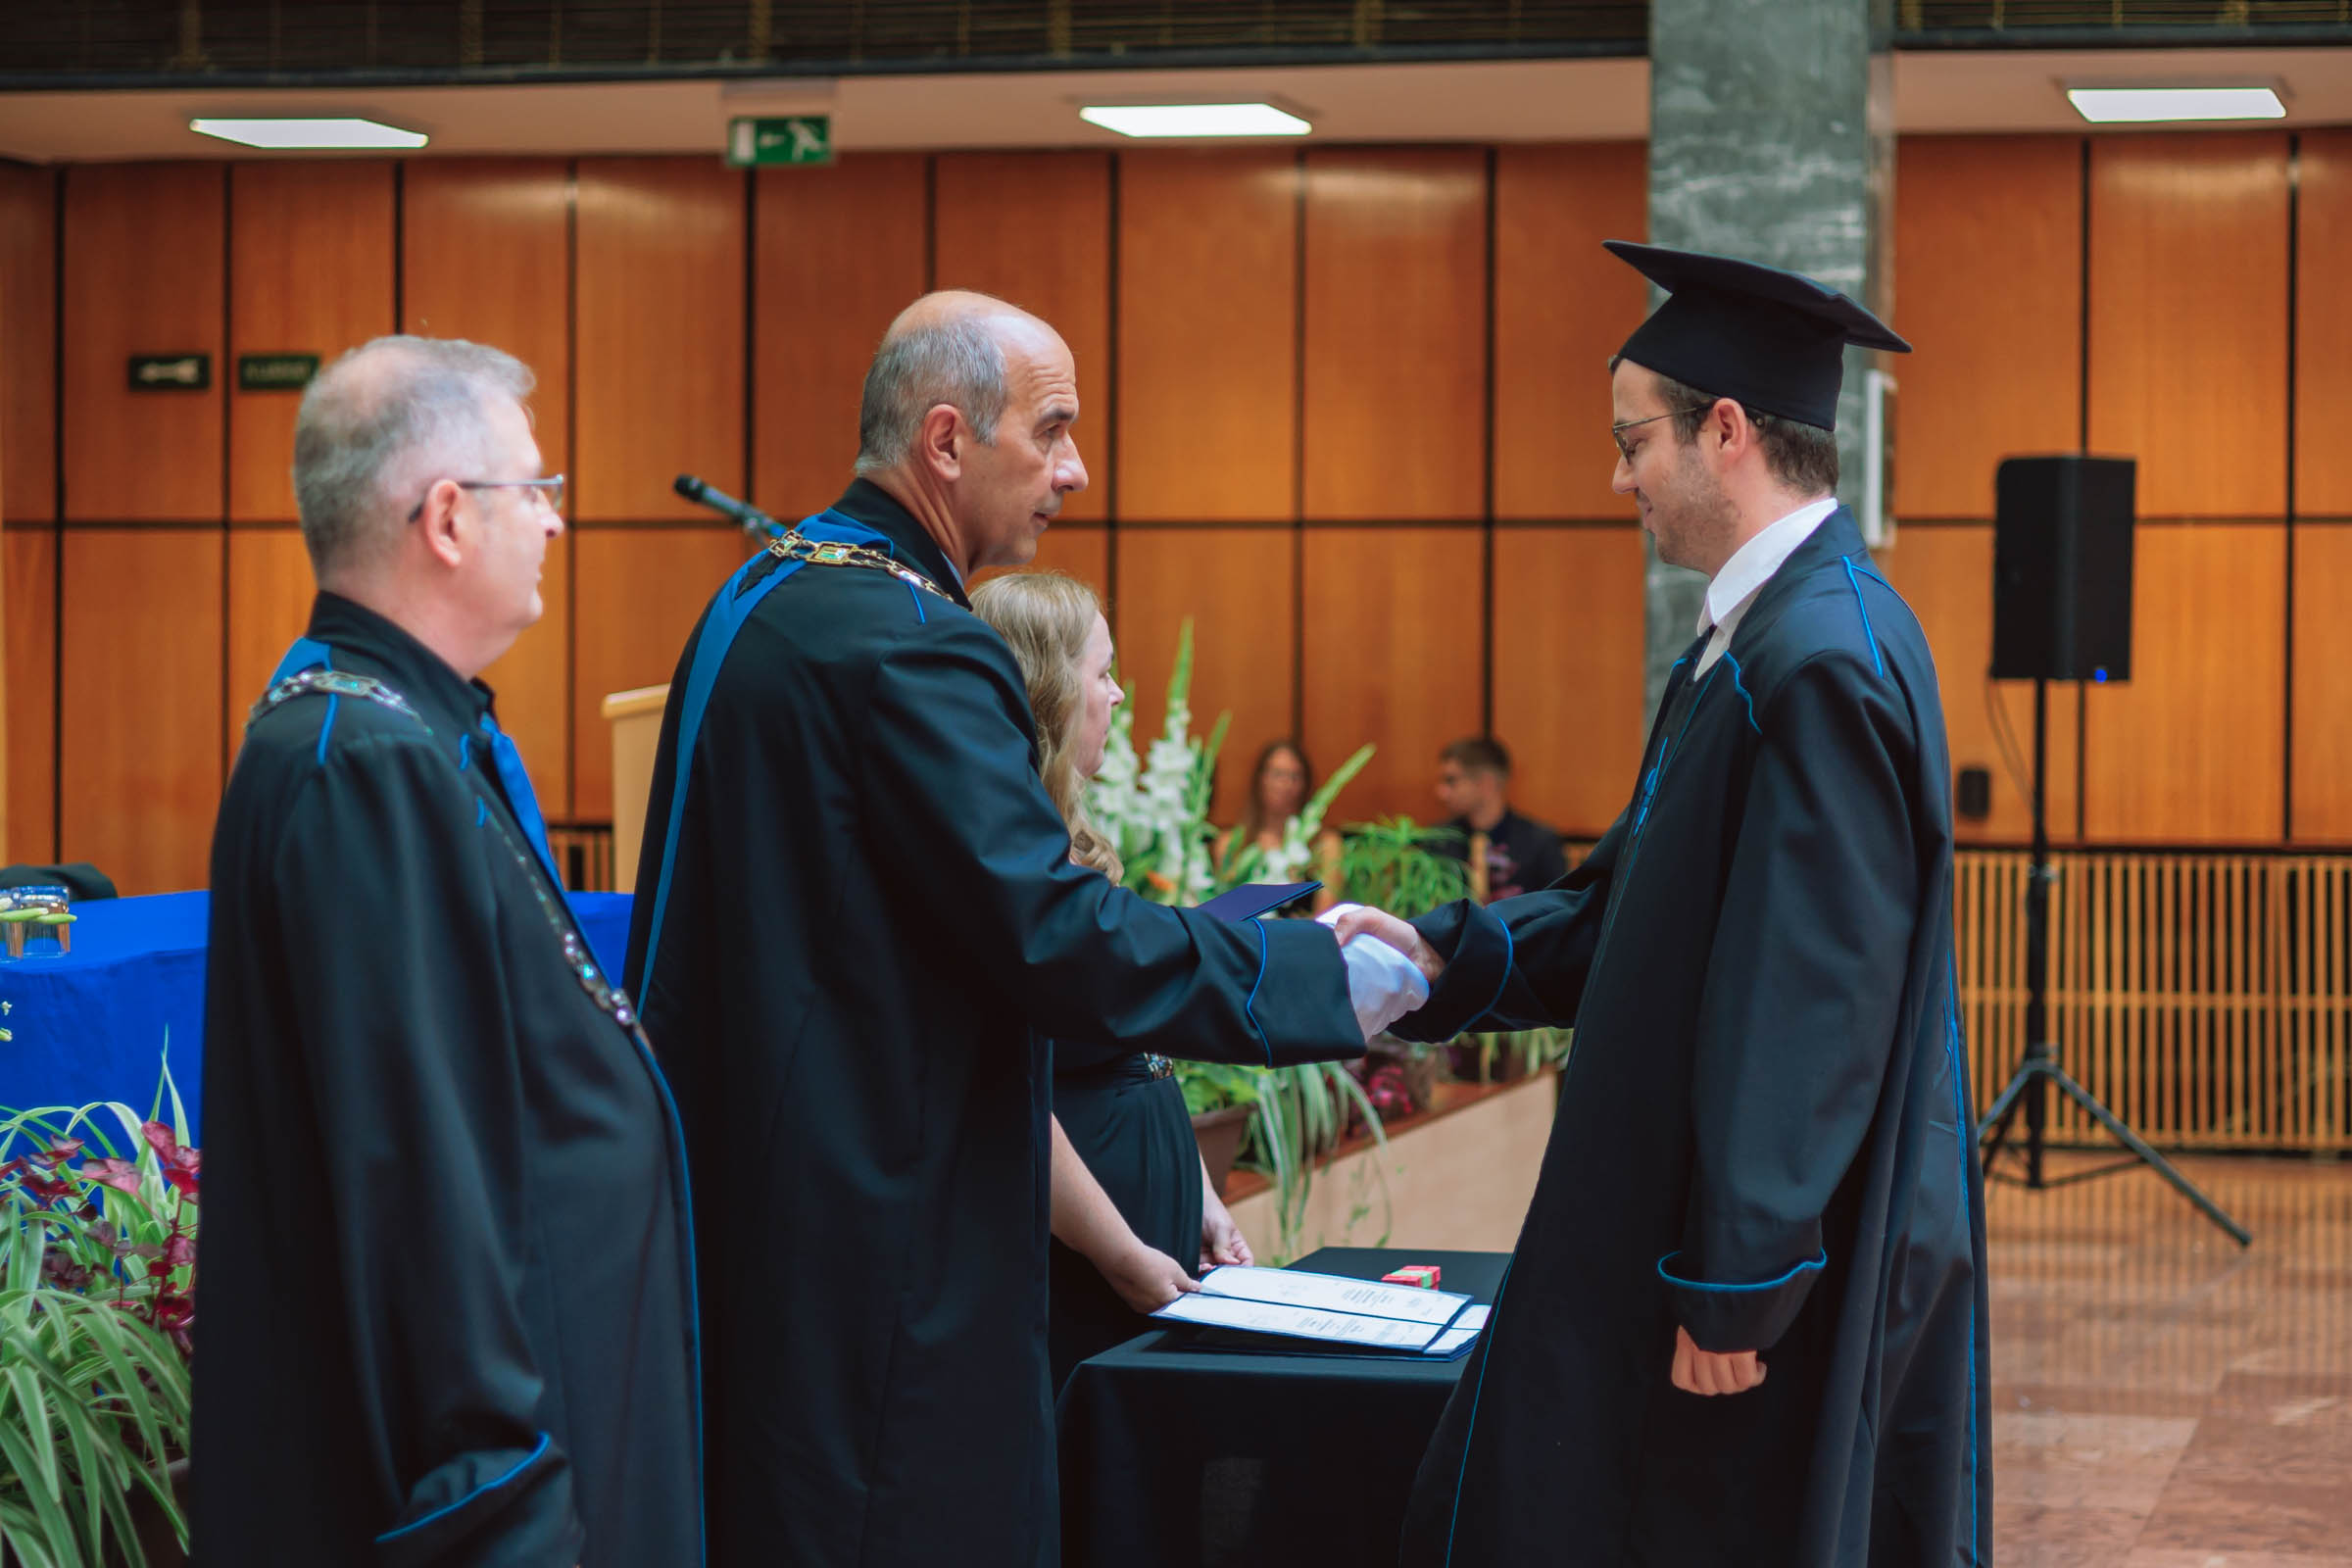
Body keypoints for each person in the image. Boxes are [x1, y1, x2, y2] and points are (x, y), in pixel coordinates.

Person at [622, 290, 1428, 1568]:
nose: (1076, 469)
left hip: (758, 1216)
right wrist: (1314, 975)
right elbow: (1053, 935)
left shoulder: (766, 592)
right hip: (883, 1251)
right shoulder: (914, 645)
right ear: (947, 440)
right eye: (1051, 431)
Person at [1351, 243, 1990, 1566]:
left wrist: (1738, 1278)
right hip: (1680, 1217)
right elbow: (1638, 914)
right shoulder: (1756, 638)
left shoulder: (1818, 659)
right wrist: (1438, 953)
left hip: (1742, 1271)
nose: (1619, 477)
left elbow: (1811, 1004)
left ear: (1728, 432)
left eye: (1632, 441)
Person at [195, 337, 700, 1565]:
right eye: (537, 488)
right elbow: (418, 1177)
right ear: (448, 518)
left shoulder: (397, 729)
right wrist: (505, 1510)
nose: (556, 521)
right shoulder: (362, 764)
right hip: (513, 1496)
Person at [969, 570, 1257, 1394]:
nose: (1119, 695)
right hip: (1078, 1260)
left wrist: (1200, 1197)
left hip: (1147, 1242)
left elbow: (1140, 1052)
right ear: (1047, 693)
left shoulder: (1066, 838)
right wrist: (1120, 1252)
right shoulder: (999, 866)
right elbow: (1010, 1095)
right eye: (1102, 673)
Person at [1432, 736, 1569, 900]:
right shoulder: (1437, 840)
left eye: (1451, 781)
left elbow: (1558, 906)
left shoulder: (1540, 843)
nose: (1441, 792)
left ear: (1485, 784)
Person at [1217, 738, 1342, 912]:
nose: (1286, 784)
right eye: (1277, 774)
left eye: (1295, 776)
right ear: (1260, 779)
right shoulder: (1231, 844)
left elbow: (1325, 913)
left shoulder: (1324, 845)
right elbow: (1222, 909)